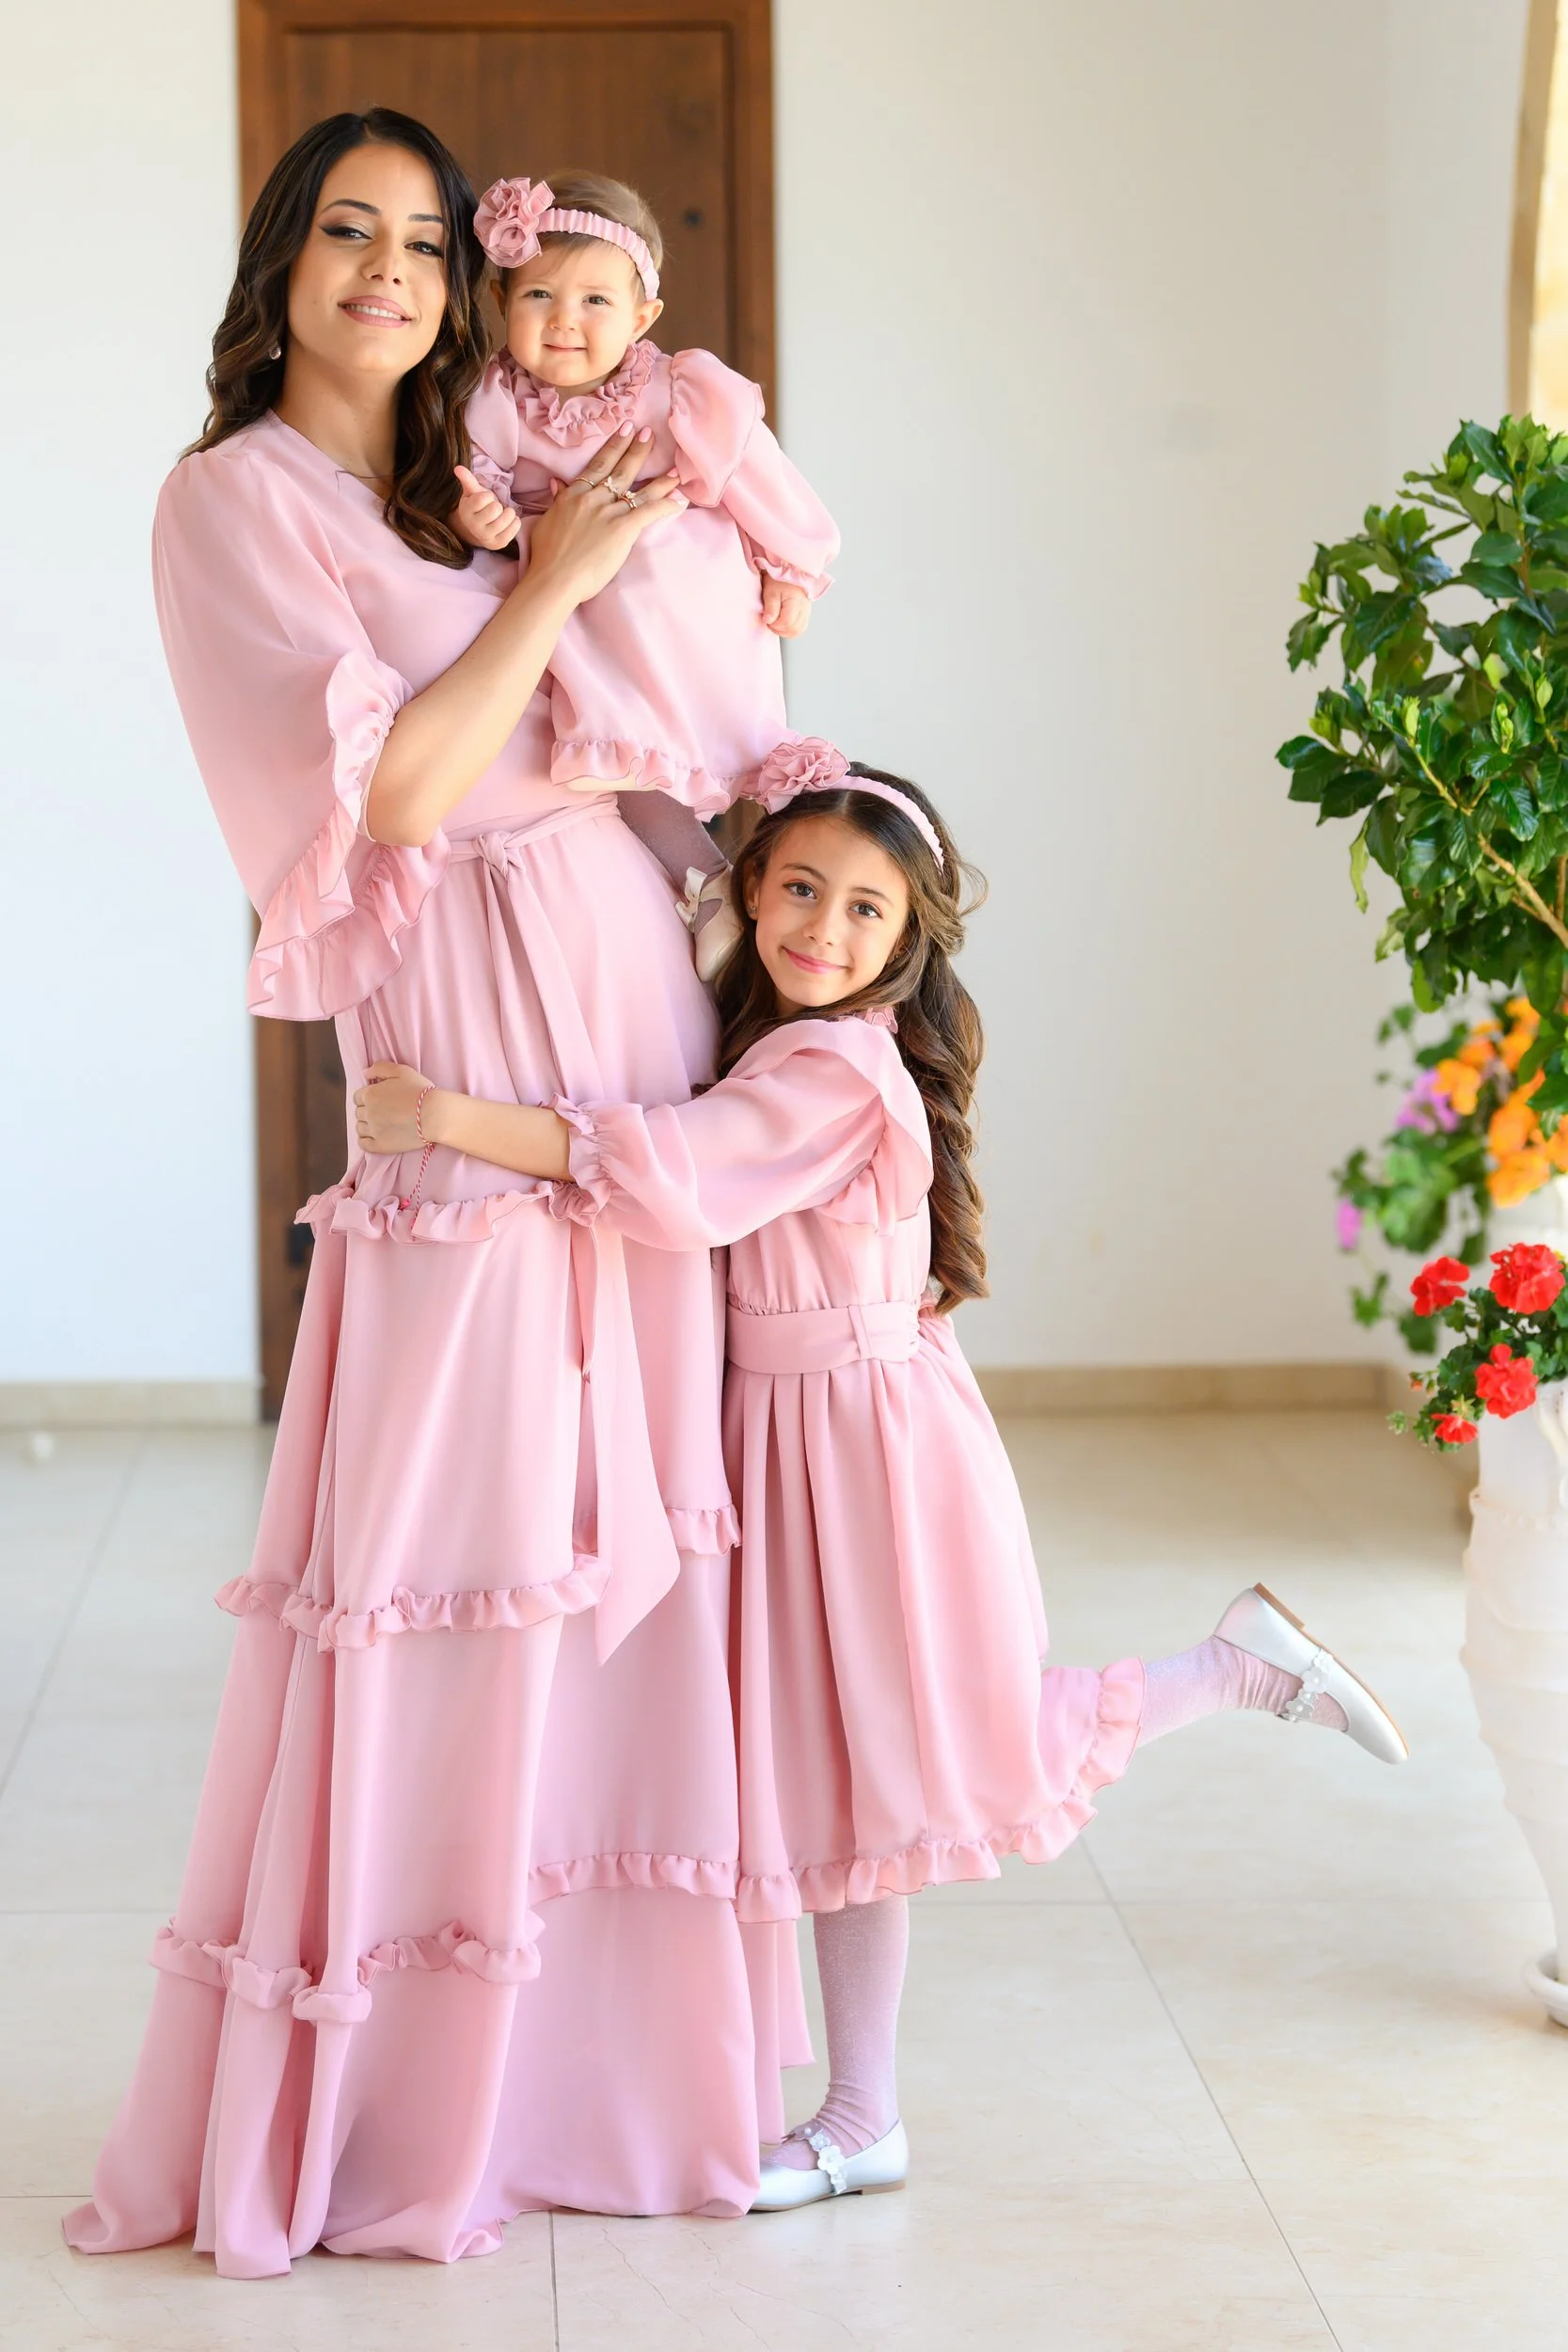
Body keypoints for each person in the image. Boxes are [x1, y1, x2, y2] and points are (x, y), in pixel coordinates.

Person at [64, 108, 806, 2279]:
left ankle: (596, 2093)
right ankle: (400, 2106)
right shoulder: (233, 504)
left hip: (620, 1055)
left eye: (419, 240)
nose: (391, 270)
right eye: (346, 233)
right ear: (280, 266)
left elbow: (605, 721)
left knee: (613, 1564)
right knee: (451, 1564)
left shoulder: (462, 484)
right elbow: (389, 783)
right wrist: (563, 582)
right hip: (468, 1072)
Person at [353, 735, 1410, 2215]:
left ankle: (1232, 1673)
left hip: (867, 1455)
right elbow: (670, 852)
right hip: (789, 1445)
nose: (816, 930)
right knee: (839, 1797)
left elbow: (667, 1170)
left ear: (909, 945)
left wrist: (451, 1118)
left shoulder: (835, 1071)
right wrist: (598, 769)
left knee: (944, 1765)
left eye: (862, 912)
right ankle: (864, 2115)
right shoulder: (781, 1015)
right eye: (797, 889)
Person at [452, 168, 839, 823]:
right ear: (500, 300)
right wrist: (483, 518)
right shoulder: (494, 399)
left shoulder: (679, 389)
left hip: (686, 590)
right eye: (539, 294)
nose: (564, 321)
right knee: (624, 762)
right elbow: (476, 482)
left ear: (641, 317)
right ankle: (686, 875)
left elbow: (758, 475)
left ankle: (709, 864)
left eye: (595, 302)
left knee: (694, 738)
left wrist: (790, 569)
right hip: (579, 595)